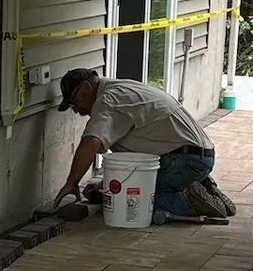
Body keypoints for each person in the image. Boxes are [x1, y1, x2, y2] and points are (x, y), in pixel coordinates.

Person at [55, 69, 233, 221]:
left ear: (85, 89)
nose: (76, 110)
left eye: (74, 103)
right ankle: (200, 186)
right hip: (198, 156)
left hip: (184, 160)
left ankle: (188, 200)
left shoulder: (107, 102)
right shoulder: (119, 88)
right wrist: (104, 184)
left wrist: (72, 182)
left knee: (132, 204)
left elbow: (91, 142)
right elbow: (135, 158)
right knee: (118, 193)